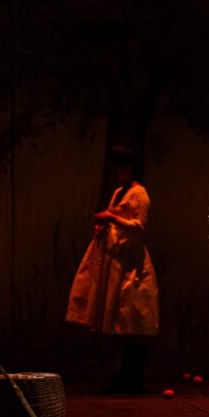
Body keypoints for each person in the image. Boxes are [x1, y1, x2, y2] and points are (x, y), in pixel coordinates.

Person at [66, 147, 159, 394]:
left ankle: (133, 377)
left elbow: (138, 226)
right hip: (117, 259)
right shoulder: (119, 192)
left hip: (132, 262)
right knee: (122, 320)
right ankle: (125, 377)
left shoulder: (139, 193)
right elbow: (114, 218)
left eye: (118, 171)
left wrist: (111, 218)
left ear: (128, 169)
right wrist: (104, 227)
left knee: (132, 317)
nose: (115, 176)